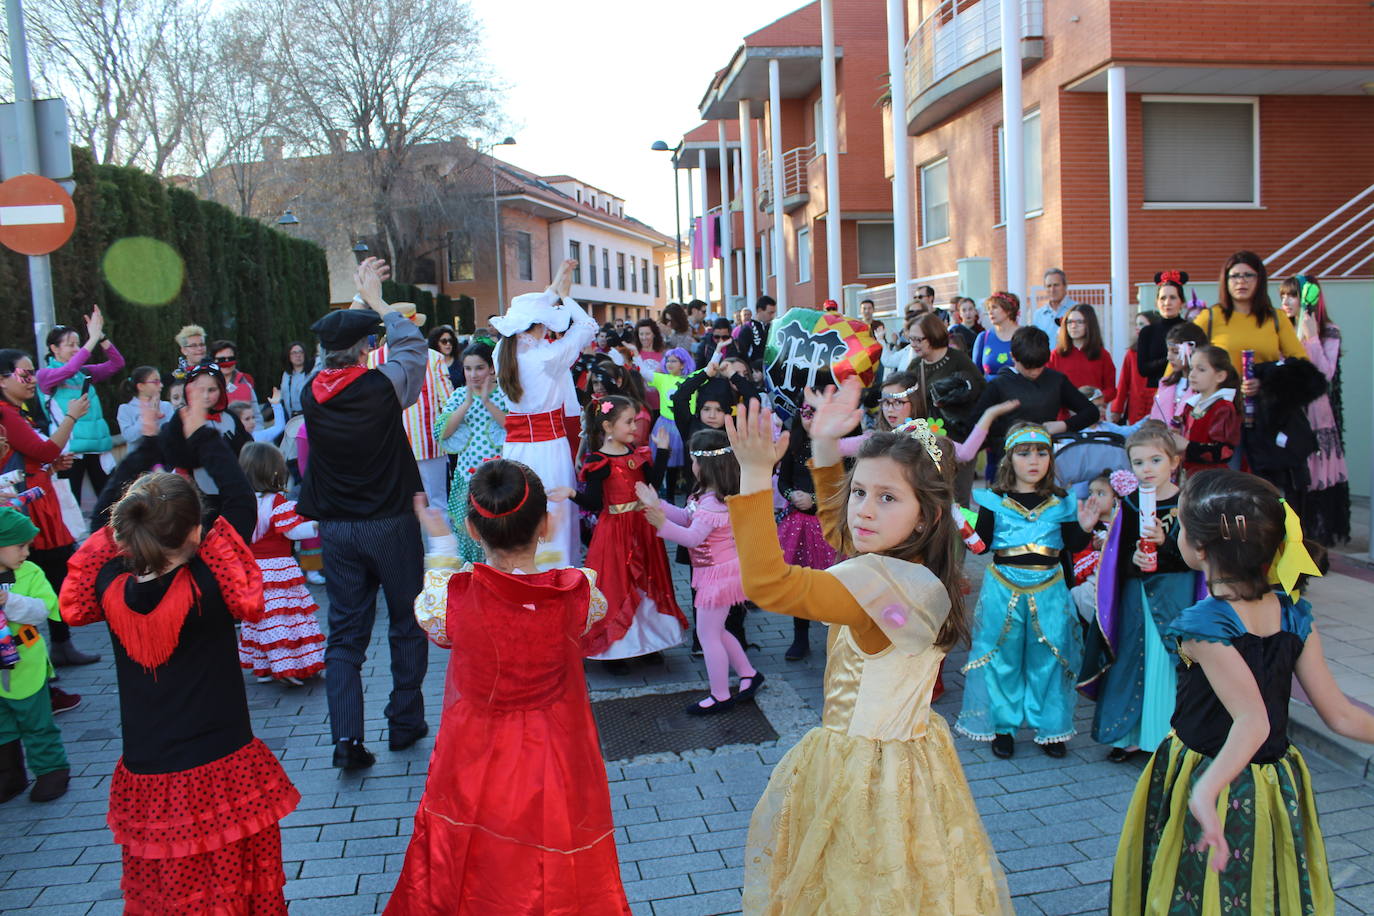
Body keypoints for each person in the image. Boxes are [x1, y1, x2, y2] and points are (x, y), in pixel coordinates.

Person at [724, 387, 1013, 913]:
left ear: (925, 516)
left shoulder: (879, 584)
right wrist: (828, 445)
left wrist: (752, 473)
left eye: (887, 498)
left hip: (861, 774)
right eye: (860, 491)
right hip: (912, 762)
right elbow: (845, 531)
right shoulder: (916, 570)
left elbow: (770, 586)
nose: (863, 510)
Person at [60, 399, 299, 914]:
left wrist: (143, 451)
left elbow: (81, 580)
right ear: (197, 533)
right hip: (223, 764)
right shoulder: (211, 584)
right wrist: (206, 439)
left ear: (125, 533)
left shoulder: (108, 587)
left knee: (172, 890)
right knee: (238, 883)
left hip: (149, 772)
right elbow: (237, 505)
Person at [1110, 470, 1374, 915]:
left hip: (1210, 770)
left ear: (1200, 547)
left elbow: (1253, 721)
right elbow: (1342, 717)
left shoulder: (1204, 625)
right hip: (1273, 780)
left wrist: (1205, 791)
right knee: (1262, 888)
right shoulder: (1294, 614)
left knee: (1195, 890)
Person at [390, 462, 630, 915]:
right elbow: (579, 608)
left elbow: (434, 622)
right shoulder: (577, 592)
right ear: (545, 522)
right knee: (551, 849)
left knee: (473, 850)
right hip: (553, 750)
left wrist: (441, 544)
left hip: (474, 752)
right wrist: (549, 549)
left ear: (472, 528)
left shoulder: (453, 596)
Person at [298, 257, 430, 770]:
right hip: (390, 524)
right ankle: (404, 721)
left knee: (345, 635)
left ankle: (346, 741)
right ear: (366, 349)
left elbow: (326, 356)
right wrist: (377, 302)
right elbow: (412, 348)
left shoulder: (311, 391)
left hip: (336, 529)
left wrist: (355, 306)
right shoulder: (382, 386)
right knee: (405, 621)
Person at [956, 423, 1098, 758]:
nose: (1034, 460)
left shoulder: (1062, 501)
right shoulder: (993, 500)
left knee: (1048, 657)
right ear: (1009, 459)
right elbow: (983, 546)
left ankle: (1051, 728)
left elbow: (1073, 544)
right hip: (1002, 587)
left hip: (1050, 587)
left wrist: (1086, 527)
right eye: (1024, 453)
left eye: (1041, 453)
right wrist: (958, 519)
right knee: (1002, 657)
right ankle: (1003, 727)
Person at [1080, 423, 1197, 762]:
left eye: (1155, 461)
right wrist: (1134, 557)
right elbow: (1120, 558)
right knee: (1134, 655)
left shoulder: (1187, 503)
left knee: (1170, 658)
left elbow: (1195, 557)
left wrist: (1167, 544)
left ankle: (1168, 735)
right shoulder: (1130, 504)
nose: (1147, 470)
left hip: (1177, 592)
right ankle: (1128, 733)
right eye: (1138, 462)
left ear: (1173, 462)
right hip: (1139, 594)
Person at [638, 428, 761, 710]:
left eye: (693, 459)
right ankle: (749, 674)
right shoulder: (706, 495)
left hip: (719, 576)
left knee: (708, 637)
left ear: (704, 464)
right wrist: (658, 504)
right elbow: (685, 517)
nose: (690, 464)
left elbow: (692, 537)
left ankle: (720, 695)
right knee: (716, 631)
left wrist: (660, 523)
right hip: (716, 572)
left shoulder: (714, 504)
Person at [564, 395, 684, 667]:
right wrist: (572, 493)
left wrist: (663, 451)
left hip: (643, 527)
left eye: (634, 421)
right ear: (607, 426)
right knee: (617, 586)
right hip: (615, 532)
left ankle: (650, 642)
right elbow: (594, 503)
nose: (635, 427)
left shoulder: (636, 453)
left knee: (647, 581)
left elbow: (652, 484)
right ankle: (614, 649)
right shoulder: (598, 461)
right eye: (628, 422)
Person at [0, 349, 100, 674]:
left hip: (36, 500)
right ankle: (48, 656)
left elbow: (36, 454)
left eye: (32, 373)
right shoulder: (6, 414)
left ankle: (59, 646)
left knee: (52, 571)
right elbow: (44, 448)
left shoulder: (16, 411)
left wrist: (49, 464)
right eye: (24, 374)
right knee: (44, 573)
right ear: (2, 379)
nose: (31, 380)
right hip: (27, 507)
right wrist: (71, 417)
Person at [493, 259, 595, 569]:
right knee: (556, 518)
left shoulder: (501, 352)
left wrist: (555, 287)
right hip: (549, 448)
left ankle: (524, 577)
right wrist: (566, 298)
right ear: (539, 324)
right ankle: (558, 580)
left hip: (515, 451)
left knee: (521, 516)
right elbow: (588, 327)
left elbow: (533, 315)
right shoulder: (548, 356)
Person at [236, 442, 326, 686]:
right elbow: (294, 532)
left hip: (252, 570)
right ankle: (287, 665)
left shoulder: (241, 503)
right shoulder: (276, 502)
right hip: (279, 569)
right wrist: (321, 525)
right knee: (284, 618)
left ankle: (264, 666)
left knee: (261, 618)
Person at [0, 507, 71, 802]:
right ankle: (10, 775)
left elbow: (43, 609)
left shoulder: (30, 573)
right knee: (2, 727)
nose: (26, 552)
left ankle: (52, 771)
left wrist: (10, 601)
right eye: (20, 546)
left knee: (36, 721)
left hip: (25, 662)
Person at [1280, 276, 1349, 546]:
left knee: (1315, 481)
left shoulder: (1328, 331)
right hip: (1287, 416)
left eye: (1292, 295)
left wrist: (1310, 338)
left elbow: (1324, 374)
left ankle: (1314, 544)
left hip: (1315, 417)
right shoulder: (1279, 329)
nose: (1286, 301)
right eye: (1283, 295)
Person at [968, 327, 1100, 465]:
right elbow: (975, 422)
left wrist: (1063, 425)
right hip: (1008, 459)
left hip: (1044, 457)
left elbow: (1091, 412)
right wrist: (1005, 429)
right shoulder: (998, 385)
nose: (1034, 372)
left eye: (1039, 366)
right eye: (1028, 367)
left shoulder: (1056, 380)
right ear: (1013, 357)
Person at [369, 306, 455, 509]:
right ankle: (439, 541)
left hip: (388, 445)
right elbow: (449, 403)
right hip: (428, 444)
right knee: (437, 504)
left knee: (397, 505)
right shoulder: (433, 358)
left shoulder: (372, 359)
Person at [37, 306, 125, 502]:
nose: (77, 349)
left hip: (96, 448)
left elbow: (117, 364)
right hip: (69, 454)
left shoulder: (83, 372)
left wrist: (101, 337)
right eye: (71, 345)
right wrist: (91, 339)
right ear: (54, 348)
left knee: (110, 505)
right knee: (72, 508)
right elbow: (68, 370)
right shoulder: (45, 376)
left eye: (79, 344)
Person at [772, 407, 839, 662]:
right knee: (799, 583)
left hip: (828, 525)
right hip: (799, 525)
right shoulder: (794, 444)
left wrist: (816, 499)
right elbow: (783, 481)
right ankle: (800, 637)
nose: (811, 420)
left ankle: (837, 636)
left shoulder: (841, 448)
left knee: (832, 583)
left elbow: (845, 485)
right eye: (807, 413)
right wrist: (792, 496)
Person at [436, 342, 509, 562]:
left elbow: (513, 427)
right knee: (469, 533)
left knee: (500, 530)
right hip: (467, 476)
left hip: (500, 477)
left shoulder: (504, 394)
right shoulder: (458, 396)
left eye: (479, 368)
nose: (473, 374)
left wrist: (486, 401)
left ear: (491, 368)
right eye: (468, 369)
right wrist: (467, 403)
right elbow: (444, 432)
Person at [907, 312, 987, 503]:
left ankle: (963, 534)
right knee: (931, 500)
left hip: (959, 441)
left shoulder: (958, 359)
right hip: (928, 443)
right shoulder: (916, 365)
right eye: (911, 339)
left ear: (933, 335)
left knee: (958, 501)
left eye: (918, 339)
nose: (913, 344)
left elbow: (982, 392)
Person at [1194, 250, 1305, 375]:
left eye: (1248, 275)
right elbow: (1179, 358)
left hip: (1266, 393)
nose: (1241, 281)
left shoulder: (1277, 318)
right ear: (1225, 280)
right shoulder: (1209, 317)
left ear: (1260, 280)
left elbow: (1302, 364)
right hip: (1222, 393)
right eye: (1235, 276)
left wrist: (1267, 379)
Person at [1179, 345, 1241, 476]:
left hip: (1210, 478)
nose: (1192, 374)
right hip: (1189, 474)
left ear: (1220, 376)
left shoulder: (1223, 408)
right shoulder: (1191, 404)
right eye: (1191, 368)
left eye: (1201, 370)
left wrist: (1186, 446)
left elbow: (1224, 451)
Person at [646, 348, 693, 502]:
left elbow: (708, 370)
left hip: (685, 426)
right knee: (667, 462)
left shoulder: (692, 379)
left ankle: (688, 499)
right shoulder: (662, 379)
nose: (669, 363)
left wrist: (718, 351)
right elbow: (644, 372)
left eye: (673, 360)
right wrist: (633, 354)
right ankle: (669, 498)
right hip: (665, 425)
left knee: (687, 464)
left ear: (682, 364)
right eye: (667, 360)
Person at [1048, 304, 1116, 407]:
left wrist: (1097, 399)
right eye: (1070, 322)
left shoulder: (1102, 355)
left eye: (1080, 322)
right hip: (1064, 417)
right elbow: (1049, 387)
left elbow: (1111, 390)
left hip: (1093, 415)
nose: (1073, 326)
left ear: (1090, 324)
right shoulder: (1055, 355)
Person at [1134, 272, 1189, 388]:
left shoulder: (1190, 330)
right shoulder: (1147, 332)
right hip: (1155, 392)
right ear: (1156, 302)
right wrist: (1171, 358)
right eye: (1163, 298)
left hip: (1185, 389)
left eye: (1173, 297)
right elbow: (1143, 369)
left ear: (1182, 302)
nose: (1167, 303)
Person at [1110, 311, 1160, 423]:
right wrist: (1117, 409)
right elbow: (1123, 383)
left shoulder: (1164, 353)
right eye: (1137, 324)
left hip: (1158, 406)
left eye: (1142, 324)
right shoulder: (1132, 353)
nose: (1138, 328)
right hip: (1137, 410)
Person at [116, 366, 174, 451]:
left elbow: (171, 435)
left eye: (160, 381)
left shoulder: (166, 406)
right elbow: (129, 437)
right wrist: (148, 415)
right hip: (138, 461)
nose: (161, 385)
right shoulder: (125, 409)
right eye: (155, 382)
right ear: (141, 386)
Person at [972, 291, 1020, 380]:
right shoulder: (983, 337)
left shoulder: (1025, 336)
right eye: (989, 308)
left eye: (994, 307)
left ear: (1008, 310)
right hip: (991, 391)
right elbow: (975, 374)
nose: (990, 312)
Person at [211, 340, 259, 414]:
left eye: (230, 359)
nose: (227, 363)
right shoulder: (207, 383)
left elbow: (256, 414)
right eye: (221, 360)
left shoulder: (245, 381)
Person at [1032, 267, 1076, 339]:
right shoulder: (1038, 314)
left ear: (1065, 286)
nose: (1052, 289)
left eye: (1056, 285)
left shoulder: (1076, 310)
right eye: (1049, 286)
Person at [279, 340, 315, 418]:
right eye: (294, 353)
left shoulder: (312, 373)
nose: (298, 355)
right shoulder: (286, 375)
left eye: (301, 352)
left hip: (309, 417)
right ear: (289, 356)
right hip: (291, 418)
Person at [427, 325, 463, 390]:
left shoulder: (461, 363)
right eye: (444, 341)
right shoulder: (430, 365)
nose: (448, 344)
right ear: (435, 343)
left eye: (450, 341)